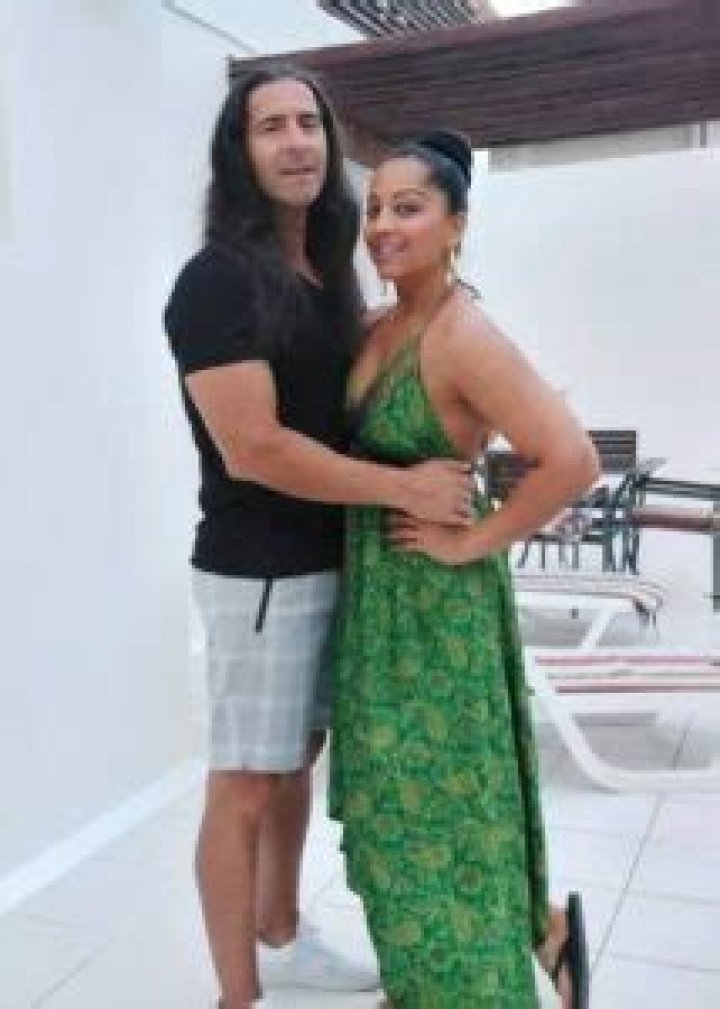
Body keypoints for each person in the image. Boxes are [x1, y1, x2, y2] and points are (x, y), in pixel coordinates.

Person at [163, 66, 475, 1009]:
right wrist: (404, 487)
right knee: (244, 785)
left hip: (328, 560)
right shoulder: (218, 280)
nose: (297, 140)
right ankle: (238, 995)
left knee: (293, 761)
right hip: (261, 574)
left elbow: (331, 387)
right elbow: (255, 447)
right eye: (271, 126)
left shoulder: (325, 271)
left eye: (309, 122)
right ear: (240, 151)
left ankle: (282, 932)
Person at [328, 130, 599, 1008]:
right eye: (375, 207)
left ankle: (472, 985)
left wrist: (472, 542)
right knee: (393, 809)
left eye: (408, 208)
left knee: (443, 810)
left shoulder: (462, 334)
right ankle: (471, 961)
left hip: (437, 610)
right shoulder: (380, 326)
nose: (382, 225)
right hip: (379, 597)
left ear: (456, 224)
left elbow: (571, 459)